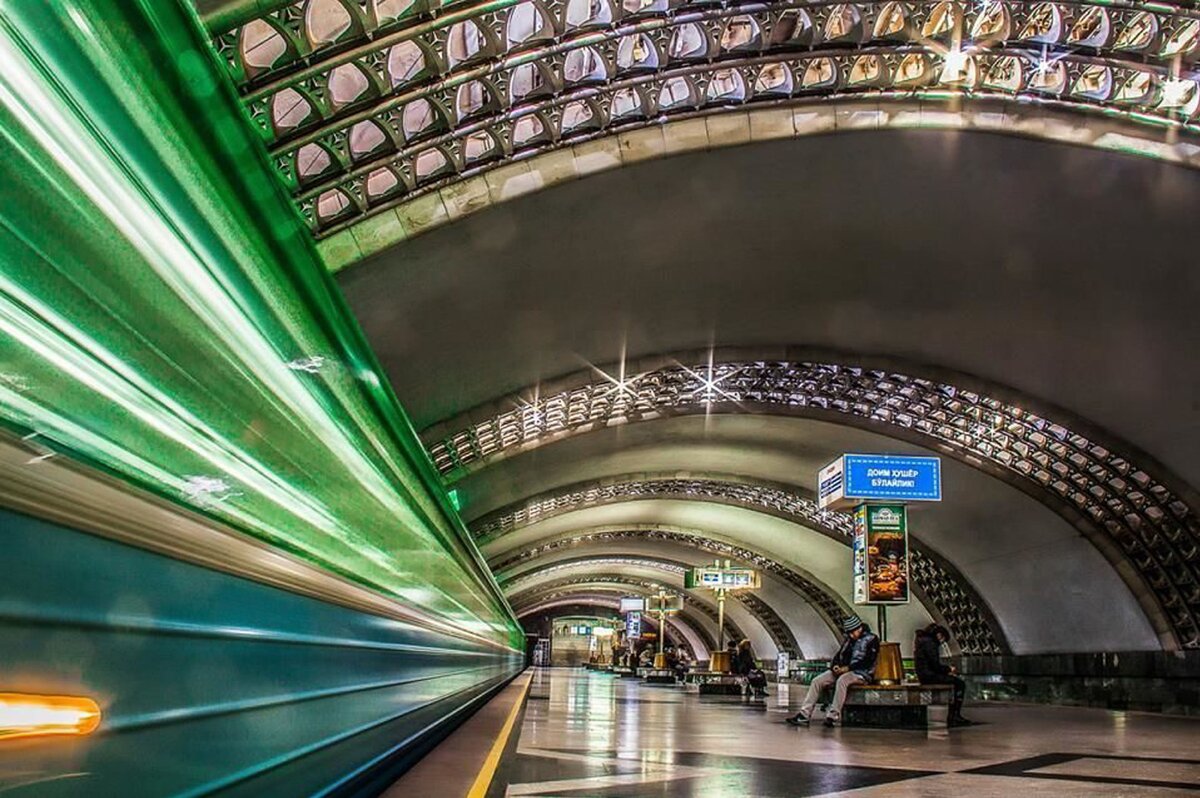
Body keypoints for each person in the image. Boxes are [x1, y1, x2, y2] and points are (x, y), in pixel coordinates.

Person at [786, 615, 879, 727]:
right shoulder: (849, 641)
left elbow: (868, 661)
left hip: (862, 673)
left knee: (842, 681)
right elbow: (839, 655)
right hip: (844, 670)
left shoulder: (871, 639)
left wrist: (848, 668)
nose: (850, 635)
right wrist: (835, 666)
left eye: (852, 632)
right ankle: (804, 715)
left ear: (859, 628)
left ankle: (832, 716)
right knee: (817, 681)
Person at [915, 623, 972, 726]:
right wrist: (949, 669)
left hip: (924, 675)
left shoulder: (922, 641)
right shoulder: (930, 644)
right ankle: (954, 715)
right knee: (959, 684)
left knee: (955, 682)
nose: (942, 642)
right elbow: (935, 665)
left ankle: (954, 715)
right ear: (939, 635)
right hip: (930, 676)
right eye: (943, 640)